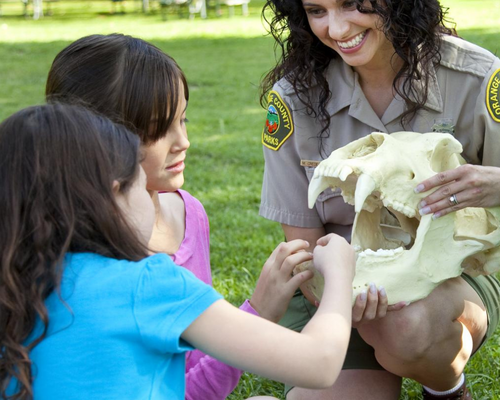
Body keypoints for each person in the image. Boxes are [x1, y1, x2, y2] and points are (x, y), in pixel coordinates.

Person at [0, 103, 356, 400]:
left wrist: (259, 309)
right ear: (113, 196)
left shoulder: (14, 287)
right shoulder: (146, 282)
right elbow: (319, 363)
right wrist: (340, 274)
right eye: (144, 187)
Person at [43, 33, 315, 400]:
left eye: (182, 120)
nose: (183, 141)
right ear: (93, 140)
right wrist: (259, 311)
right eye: (158, 129)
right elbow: (184, 391)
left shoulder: (189, 212)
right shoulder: (101, 261)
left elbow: (193, 363)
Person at [259, 0, 500, 399]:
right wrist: (338, 300)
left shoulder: (478, 80)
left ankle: (445, 389)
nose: (336, 29)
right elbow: (303, 245)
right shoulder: (291, 100)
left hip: (452, 273)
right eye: (317, 10)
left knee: (406, 328)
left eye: (353, 4)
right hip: (334, 290)